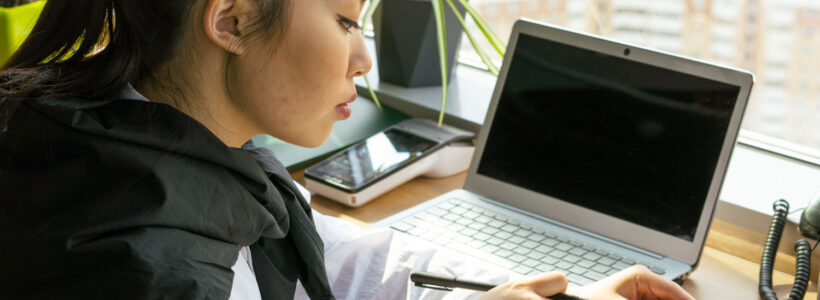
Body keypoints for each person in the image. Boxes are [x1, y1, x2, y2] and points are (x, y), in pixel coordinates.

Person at [0, 0, 695, 299]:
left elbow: (329, 252)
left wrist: (556, 290)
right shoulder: (157, 271)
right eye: (342, 21)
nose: (363, 59)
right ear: (233, 21)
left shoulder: (137, 131)